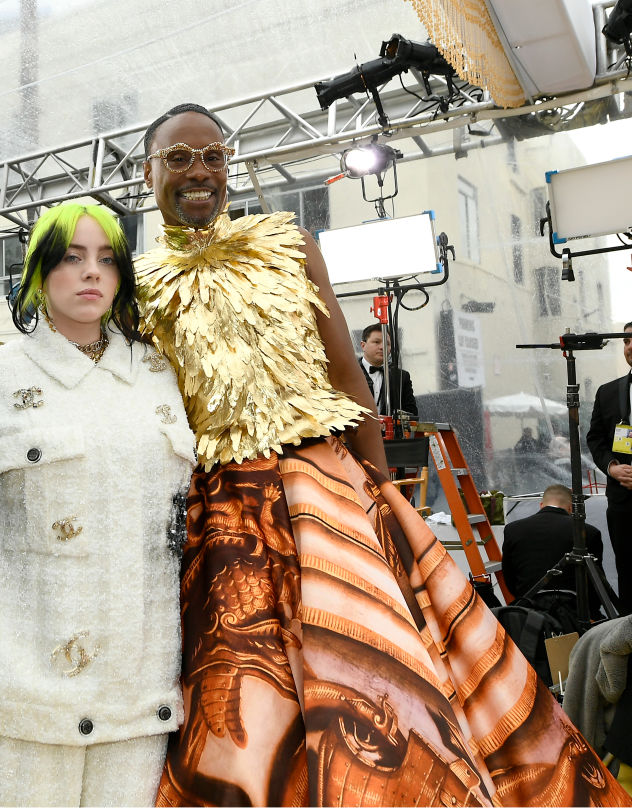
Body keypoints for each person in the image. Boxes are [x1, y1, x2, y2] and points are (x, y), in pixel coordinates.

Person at [136, 102, 630, 807]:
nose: (199, 173)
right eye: (179, 158)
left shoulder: (288, 242)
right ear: (147, 171)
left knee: (379, 679)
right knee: (247, 699)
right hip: (222, 520)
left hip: (326, 491)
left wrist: (381, 492)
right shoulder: (135, 286)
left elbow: (346, 372)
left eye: (214, 157)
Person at [0, 202, 195, 806]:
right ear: (39, 271)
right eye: (72, 258)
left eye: (107, 260)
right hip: (26, 676)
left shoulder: (160, 376)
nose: (91, 274)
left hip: (141, 678)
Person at [501, 484, 606, 612]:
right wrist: (592, 611)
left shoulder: (513, 529)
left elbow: (509, 575)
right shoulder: (588, 532)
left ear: (541, 505)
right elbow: (596, 580)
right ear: (571, 508)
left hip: (529, 610)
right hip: (573, 610)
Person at [587, 320, 632, 615]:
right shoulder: (608, 392)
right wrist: (612, 467)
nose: (630, 347)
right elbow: (595, 438)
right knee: (627, 572)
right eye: (626, 341)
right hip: (624, 502)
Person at [358, 322, 418, 416]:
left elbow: (412, 414)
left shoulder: (401, 377)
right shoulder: (349, 373)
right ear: (363, 345)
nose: (382, 347)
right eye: (376, 342)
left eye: (387, 343)